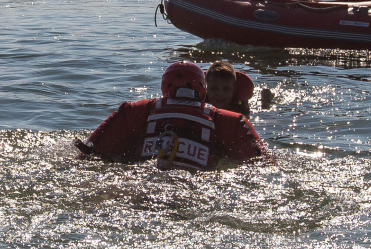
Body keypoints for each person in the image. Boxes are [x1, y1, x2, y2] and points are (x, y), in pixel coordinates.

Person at [75, 61, 266, 171]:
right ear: (203, 89)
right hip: (194, 183)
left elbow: (90, 151)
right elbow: (261, 164)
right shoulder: (228, 119)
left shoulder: (137, 109)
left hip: (143, 177)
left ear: (165, 86)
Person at [206, 60, 274, 117]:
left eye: (226, 89)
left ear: (234, 90)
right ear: (206, 88)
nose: (220, 93)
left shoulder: (241, 109)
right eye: (214, 88)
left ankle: (266, 96)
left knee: (265, 107)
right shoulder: (201, 102)